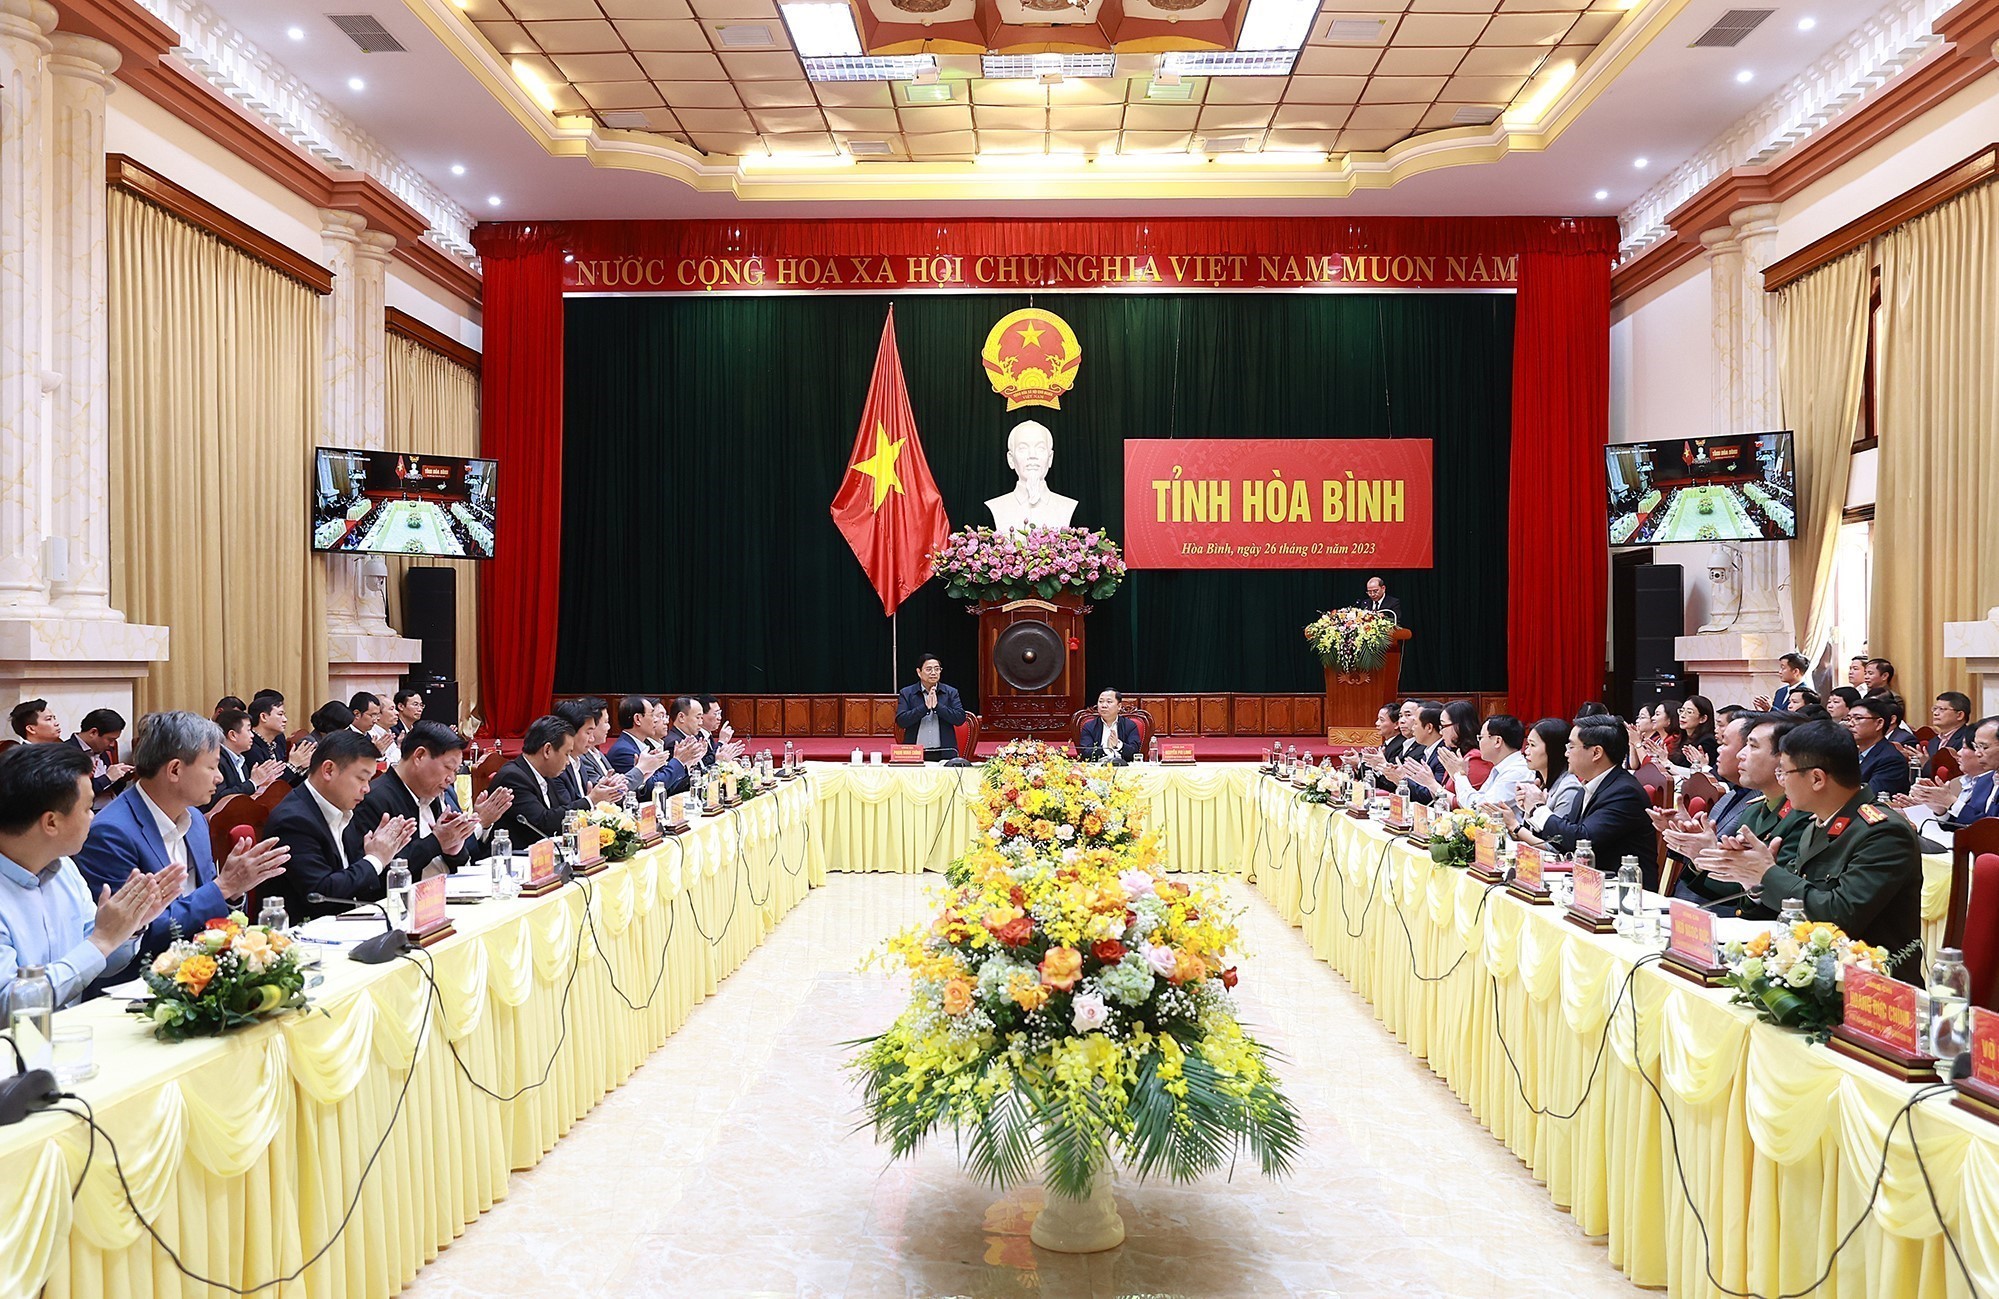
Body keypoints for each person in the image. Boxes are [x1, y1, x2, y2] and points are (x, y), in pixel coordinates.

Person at [1697, 719, 1923, 979]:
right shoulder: (1819, 823)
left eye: (1784, 772)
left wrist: (1767, 874)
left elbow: (1838, 918)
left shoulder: (1882, 832)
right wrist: (1754, 882)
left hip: (1871, 984)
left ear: (1817, 778)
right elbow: (1789, 912)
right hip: (1810, 972)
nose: (1781, 782)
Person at [73, 711, 291, 958]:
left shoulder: (195, 818)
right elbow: (128, 937)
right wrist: (222, 887)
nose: (219, 777)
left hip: (203, 963)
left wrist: (233, 893)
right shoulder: (111, 834)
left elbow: (211, 901)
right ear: (175, 770)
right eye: (212, 766)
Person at [0, 743, 182, 1008]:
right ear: (51, 822)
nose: (93, 817)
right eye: (87, 808)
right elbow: (9, 1005)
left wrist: (127, 928)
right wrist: (102, 940)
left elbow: (99, 964)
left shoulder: (64, 869)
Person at [268, 730, 417, 921]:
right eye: (361, 778)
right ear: (328, 770)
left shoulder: (343, 809)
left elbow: (354, 880)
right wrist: (375, 859)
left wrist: (377, 853)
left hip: (349, 922)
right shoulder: (293, 820)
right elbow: (321, 895)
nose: (367, 788)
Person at [348, 721, 508, 880]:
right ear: (419, 756)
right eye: (448, 768)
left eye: (455, 771)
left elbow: (457, 862)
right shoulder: (373, 799)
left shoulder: (434, 793)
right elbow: (375, 875)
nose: (451, 779)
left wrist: (453, 848)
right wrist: (436, 842)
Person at [1514, 715, 1659, 888]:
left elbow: (1582, 841)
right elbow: (1560, 841)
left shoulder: (1624, 792)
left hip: (1625, 892)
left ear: (1596, 753)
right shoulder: (1588, 788)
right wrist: (1531, 810)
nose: (1566, 753)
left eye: (1571, 746)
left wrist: (1538, 808)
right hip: (1591, 885)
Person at [489, 715, 616, 843]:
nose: (568, 762)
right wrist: (591, 800)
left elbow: (560, 811)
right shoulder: (513, 778)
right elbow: (543, 822)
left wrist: (592, 801)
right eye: (566, 754)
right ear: (547, 750)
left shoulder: (547, 773)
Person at [1894, 716, 1998, 842]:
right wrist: (1941, 809)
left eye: (1984, 747)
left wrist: (1951, 802)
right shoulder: (1984, 781)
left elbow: (1992, 831)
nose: (1978, 753)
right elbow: (1967, 825)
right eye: (1976, 747)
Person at [1500, 717, 1583, 844]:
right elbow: (1532, 834)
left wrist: (1514, 825)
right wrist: (1527, 809)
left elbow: (1554, 846)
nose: (1526, 751)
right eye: (1527, 745)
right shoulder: (1542, 784)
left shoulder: (1569, 789)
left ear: (1552, 749)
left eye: (1532, 745)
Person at [1442, 714, 1530, 810]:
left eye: (1481, 737)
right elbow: (1479, 798)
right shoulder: (1501, 767)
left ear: (1497, 741)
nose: (1479, 742)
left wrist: (1459, 775)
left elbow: (1479, 807)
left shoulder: (1517, 771)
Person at [553, 698, 627, 806]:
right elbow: (564, 812)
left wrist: (605, 791)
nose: (591, 739)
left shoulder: (579, 764)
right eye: (588, 733)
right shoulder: (556, 769)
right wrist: (591, 801)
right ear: (570, 732)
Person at [896, 654, 966, 761]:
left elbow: (960, 718)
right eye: (929, 669)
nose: (933, 673)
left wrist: (938, 707)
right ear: (919, 672)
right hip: (914, 753)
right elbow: (901, 721)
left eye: (937, 669)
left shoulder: (950, 692)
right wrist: (924, 708)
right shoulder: (907, 693)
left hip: (944, 752)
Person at [209, 708, 284, 807]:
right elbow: (219, 799)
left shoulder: (241, 759)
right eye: (248, 730)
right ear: (233, 735)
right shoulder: (217, 760)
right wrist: (253, 782)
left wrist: (263, 783)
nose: (252, 735)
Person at [1846, 692, 1911, 798]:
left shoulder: (1891, 760)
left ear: (1879, 723)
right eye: (1848, 719)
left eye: (1858, 718)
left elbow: (1869, 797)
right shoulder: (1851, 753)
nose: (1850, 724)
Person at [246, 695, 313, 788]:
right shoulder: (249, 745)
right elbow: (269, 787)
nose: (285, 720)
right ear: (263, 717)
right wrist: (293, 765)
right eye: (280, 714)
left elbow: (289, 783)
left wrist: (301, 767)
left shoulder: (278, 739)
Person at [1393, 701, 1449, 805]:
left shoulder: (1443, 755)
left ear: (1429, 727)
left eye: (1415, 724)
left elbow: (1430, 797)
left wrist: (1402, 778)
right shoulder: (1428, 751)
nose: (1413, 728)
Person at [71, 708, 134, 795]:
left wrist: (121, 778)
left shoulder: (102, 749)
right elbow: (75, 792)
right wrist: (107, 778)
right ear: (93, 732)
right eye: (110, 740)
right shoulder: (65, 753)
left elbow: (113, 790)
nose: (112, 744)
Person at [1079, 690, 1141, 763]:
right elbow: (1085, 754)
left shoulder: (1129, 726)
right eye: (1101, 701)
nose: (1104, 705)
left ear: (1119, 706)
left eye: (1109, 702)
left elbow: (1135, 753)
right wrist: (1105, 748)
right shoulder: (1089, 726)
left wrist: (1118, 745)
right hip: (1098, 768)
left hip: (1124, 767)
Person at [1677, 695, 1720, 768]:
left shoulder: (1707, 741)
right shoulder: (1684, 737)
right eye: (1681, 711)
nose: (1682, 715)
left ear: (1703, 718)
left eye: (1689, 712)